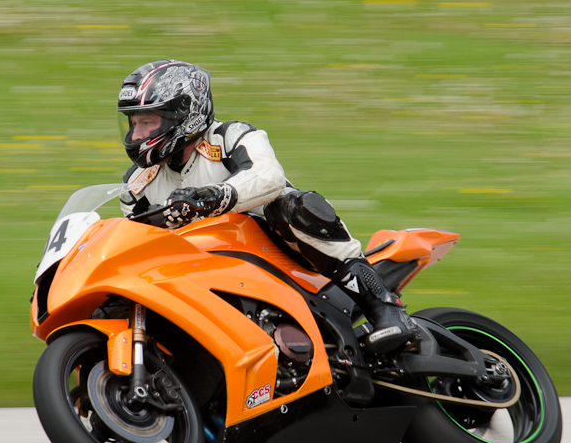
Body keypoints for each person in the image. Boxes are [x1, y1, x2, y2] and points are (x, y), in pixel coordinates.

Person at [116, 59, 416, 353]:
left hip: (278, 252)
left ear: (183, 114)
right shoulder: (138, 184)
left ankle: (385, 308)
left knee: (293, 206)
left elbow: (269, 177)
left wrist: (214, 197)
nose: (137, 135)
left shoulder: (230, 137)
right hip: (202, 271)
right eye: (133, 123)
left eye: (147, 122)